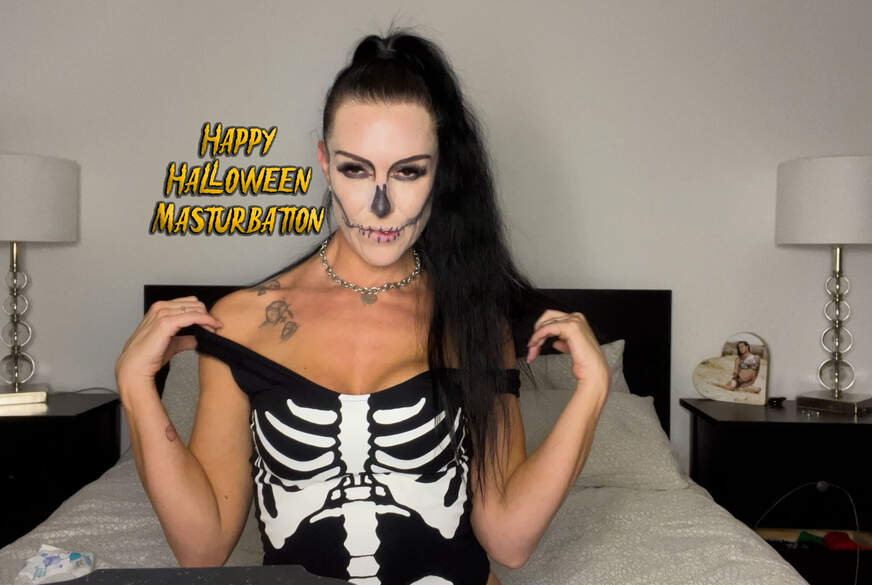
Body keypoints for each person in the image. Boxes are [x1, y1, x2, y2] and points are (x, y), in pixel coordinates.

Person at [115, 26, 610, 585]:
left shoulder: (472, 319)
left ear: (439, 173)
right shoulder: (241, 323)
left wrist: (592, 391)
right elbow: (201, 549)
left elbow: (509, 541)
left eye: (408, 171)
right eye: (356, 169)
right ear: (325, 163)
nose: (380, 206)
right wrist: (135, 386)